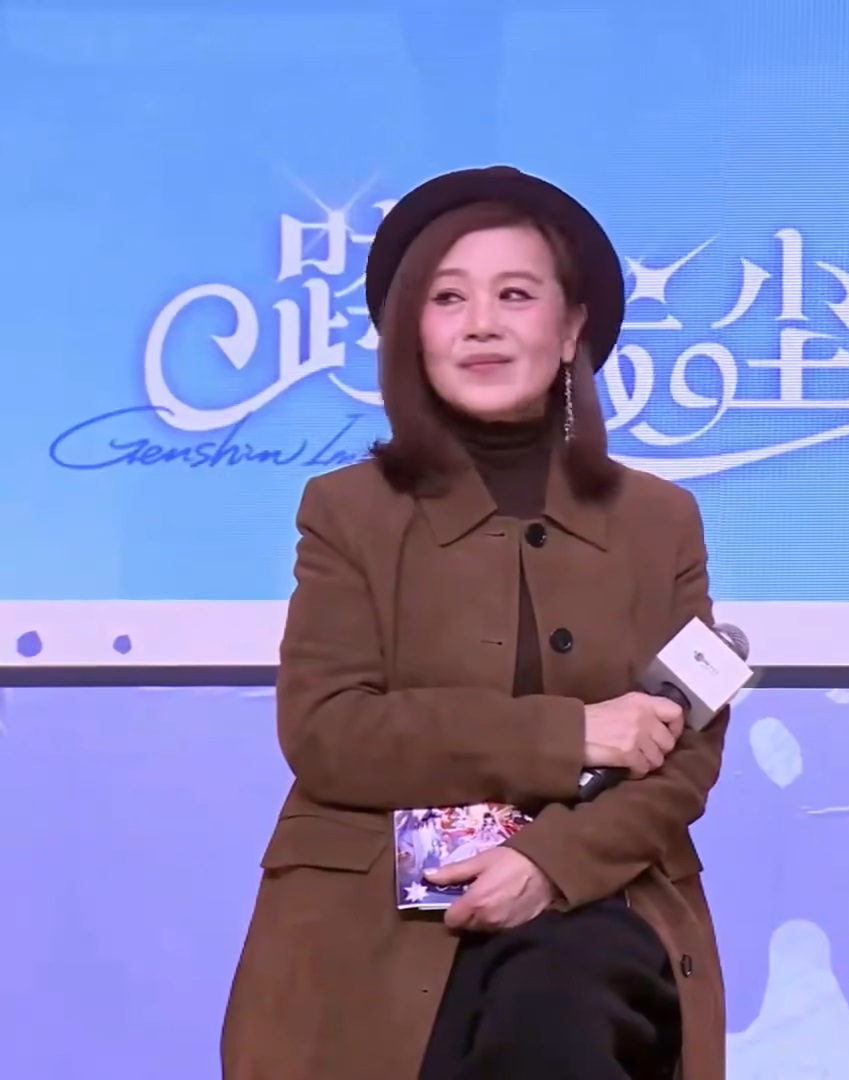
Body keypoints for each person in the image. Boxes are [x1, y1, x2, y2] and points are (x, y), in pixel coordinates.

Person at [220, 166, 730, 1080]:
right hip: (374, 918)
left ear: (571, 327)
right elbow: (329, 731)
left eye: (515, 295)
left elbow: (685, 751)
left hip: (594, 905)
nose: (481, 324)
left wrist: (550, 865)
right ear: (410, 333)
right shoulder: (347, 511)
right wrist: (571, 734)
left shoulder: (660, 521)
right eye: (448, 298)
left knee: (562, 998)